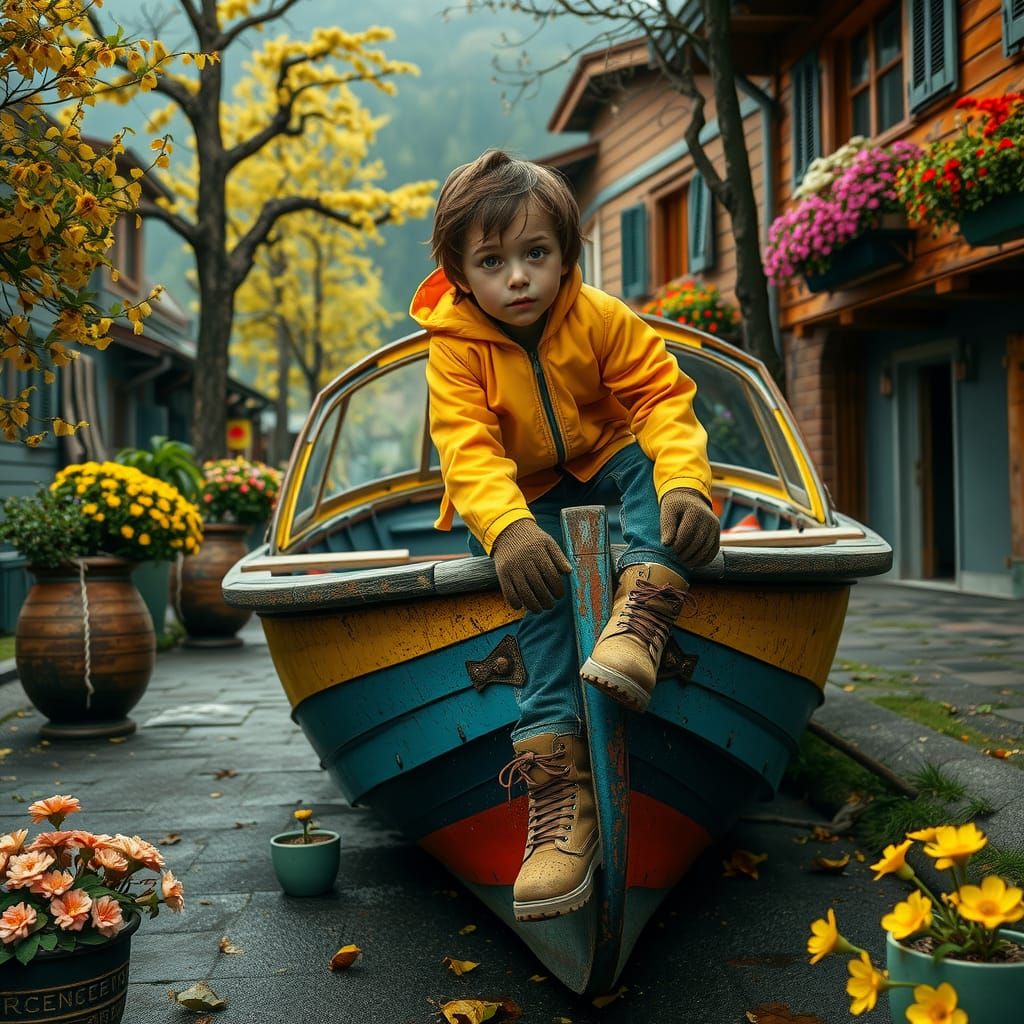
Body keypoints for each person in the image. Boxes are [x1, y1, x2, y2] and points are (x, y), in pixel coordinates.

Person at [410, 149, 720, 924]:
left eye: (535, 254)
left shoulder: (601, 317)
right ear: (457, 272)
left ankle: (644, 609)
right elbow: (468, 447)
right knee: (539, 591)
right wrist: (508, 530)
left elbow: (661, 398)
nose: (517, 277)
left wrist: (685, 481)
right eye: (492, 261)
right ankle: (557, 789)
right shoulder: (452, 350)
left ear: (566, 256)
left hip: (603, 454)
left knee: (660, 466)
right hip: (524, 489)